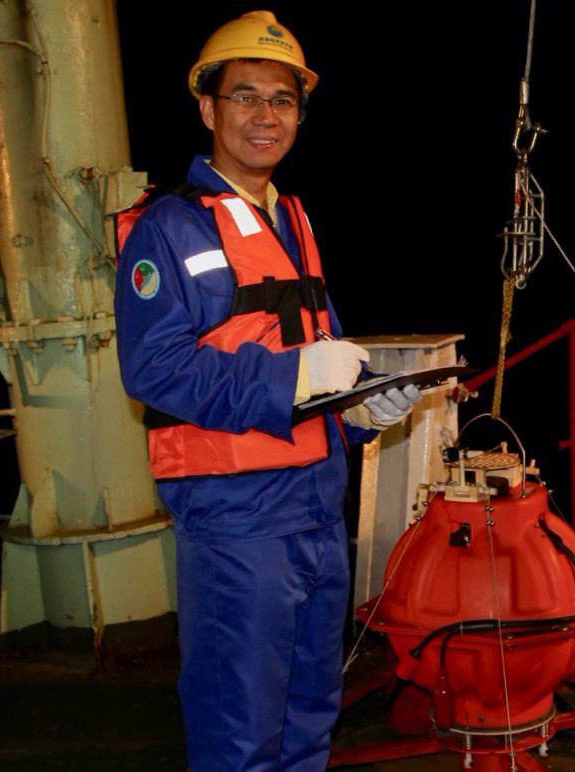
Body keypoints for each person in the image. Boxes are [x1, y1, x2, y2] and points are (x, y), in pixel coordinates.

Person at [114, 11, 420, 771]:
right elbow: (155, 368)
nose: (264, 116)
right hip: (236, 522)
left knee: (310, 719)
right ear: (207, 108)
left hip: (316, 507)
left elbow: (321, 358)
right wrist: (293, 378)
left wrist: (364, 407)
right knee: (240, 733)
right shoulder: (170, 229)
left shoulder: (292, 219)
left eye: (281, 100)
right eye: (244, 96)